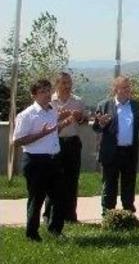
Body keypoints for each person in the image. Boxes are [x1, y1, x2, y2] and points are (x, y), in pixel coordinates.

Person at [13, 79, 76, 241]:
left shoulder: (52, 111)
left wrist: (64, 124)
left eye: (48, 90)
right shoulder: (26, 115)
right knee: (37, 198)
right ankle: (32, 234)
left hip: (54, 159)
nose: (47, 94)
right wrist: (41, 134)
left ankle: (55, 229)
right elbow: (17, 141)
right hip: (35, 161)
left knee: (59, 197)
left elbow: (52, 132)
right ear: (34, 95)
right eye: (42, 91)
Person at [93, 75, 139, 216]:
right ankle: (108, 215)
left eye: (128, 87)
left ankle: (128, 213)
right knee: (109, 184)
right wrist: (102, 123)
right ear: (115, 89)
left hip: (130, 151)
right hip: (111, 151)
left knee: (129, 184)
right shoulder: (104, 105)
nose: (126, 90)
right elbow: (96, 127)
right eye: (123, 87)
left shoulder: (137, 105)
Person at [44, 72, 87, 223]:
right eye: (63, 83)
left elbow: (84, 121)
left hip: (72, 143)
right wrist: (60, 117)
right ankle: (48, 215)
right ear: (56, 85)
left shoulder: (78, 101)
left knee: (72, 179)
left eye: (69, 83)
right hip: (54, 143)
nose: (67, 86)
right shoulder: (50, 102)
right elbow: (44, 124)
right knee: (52, 180)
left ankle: (70, 216)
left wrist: (80, 116)